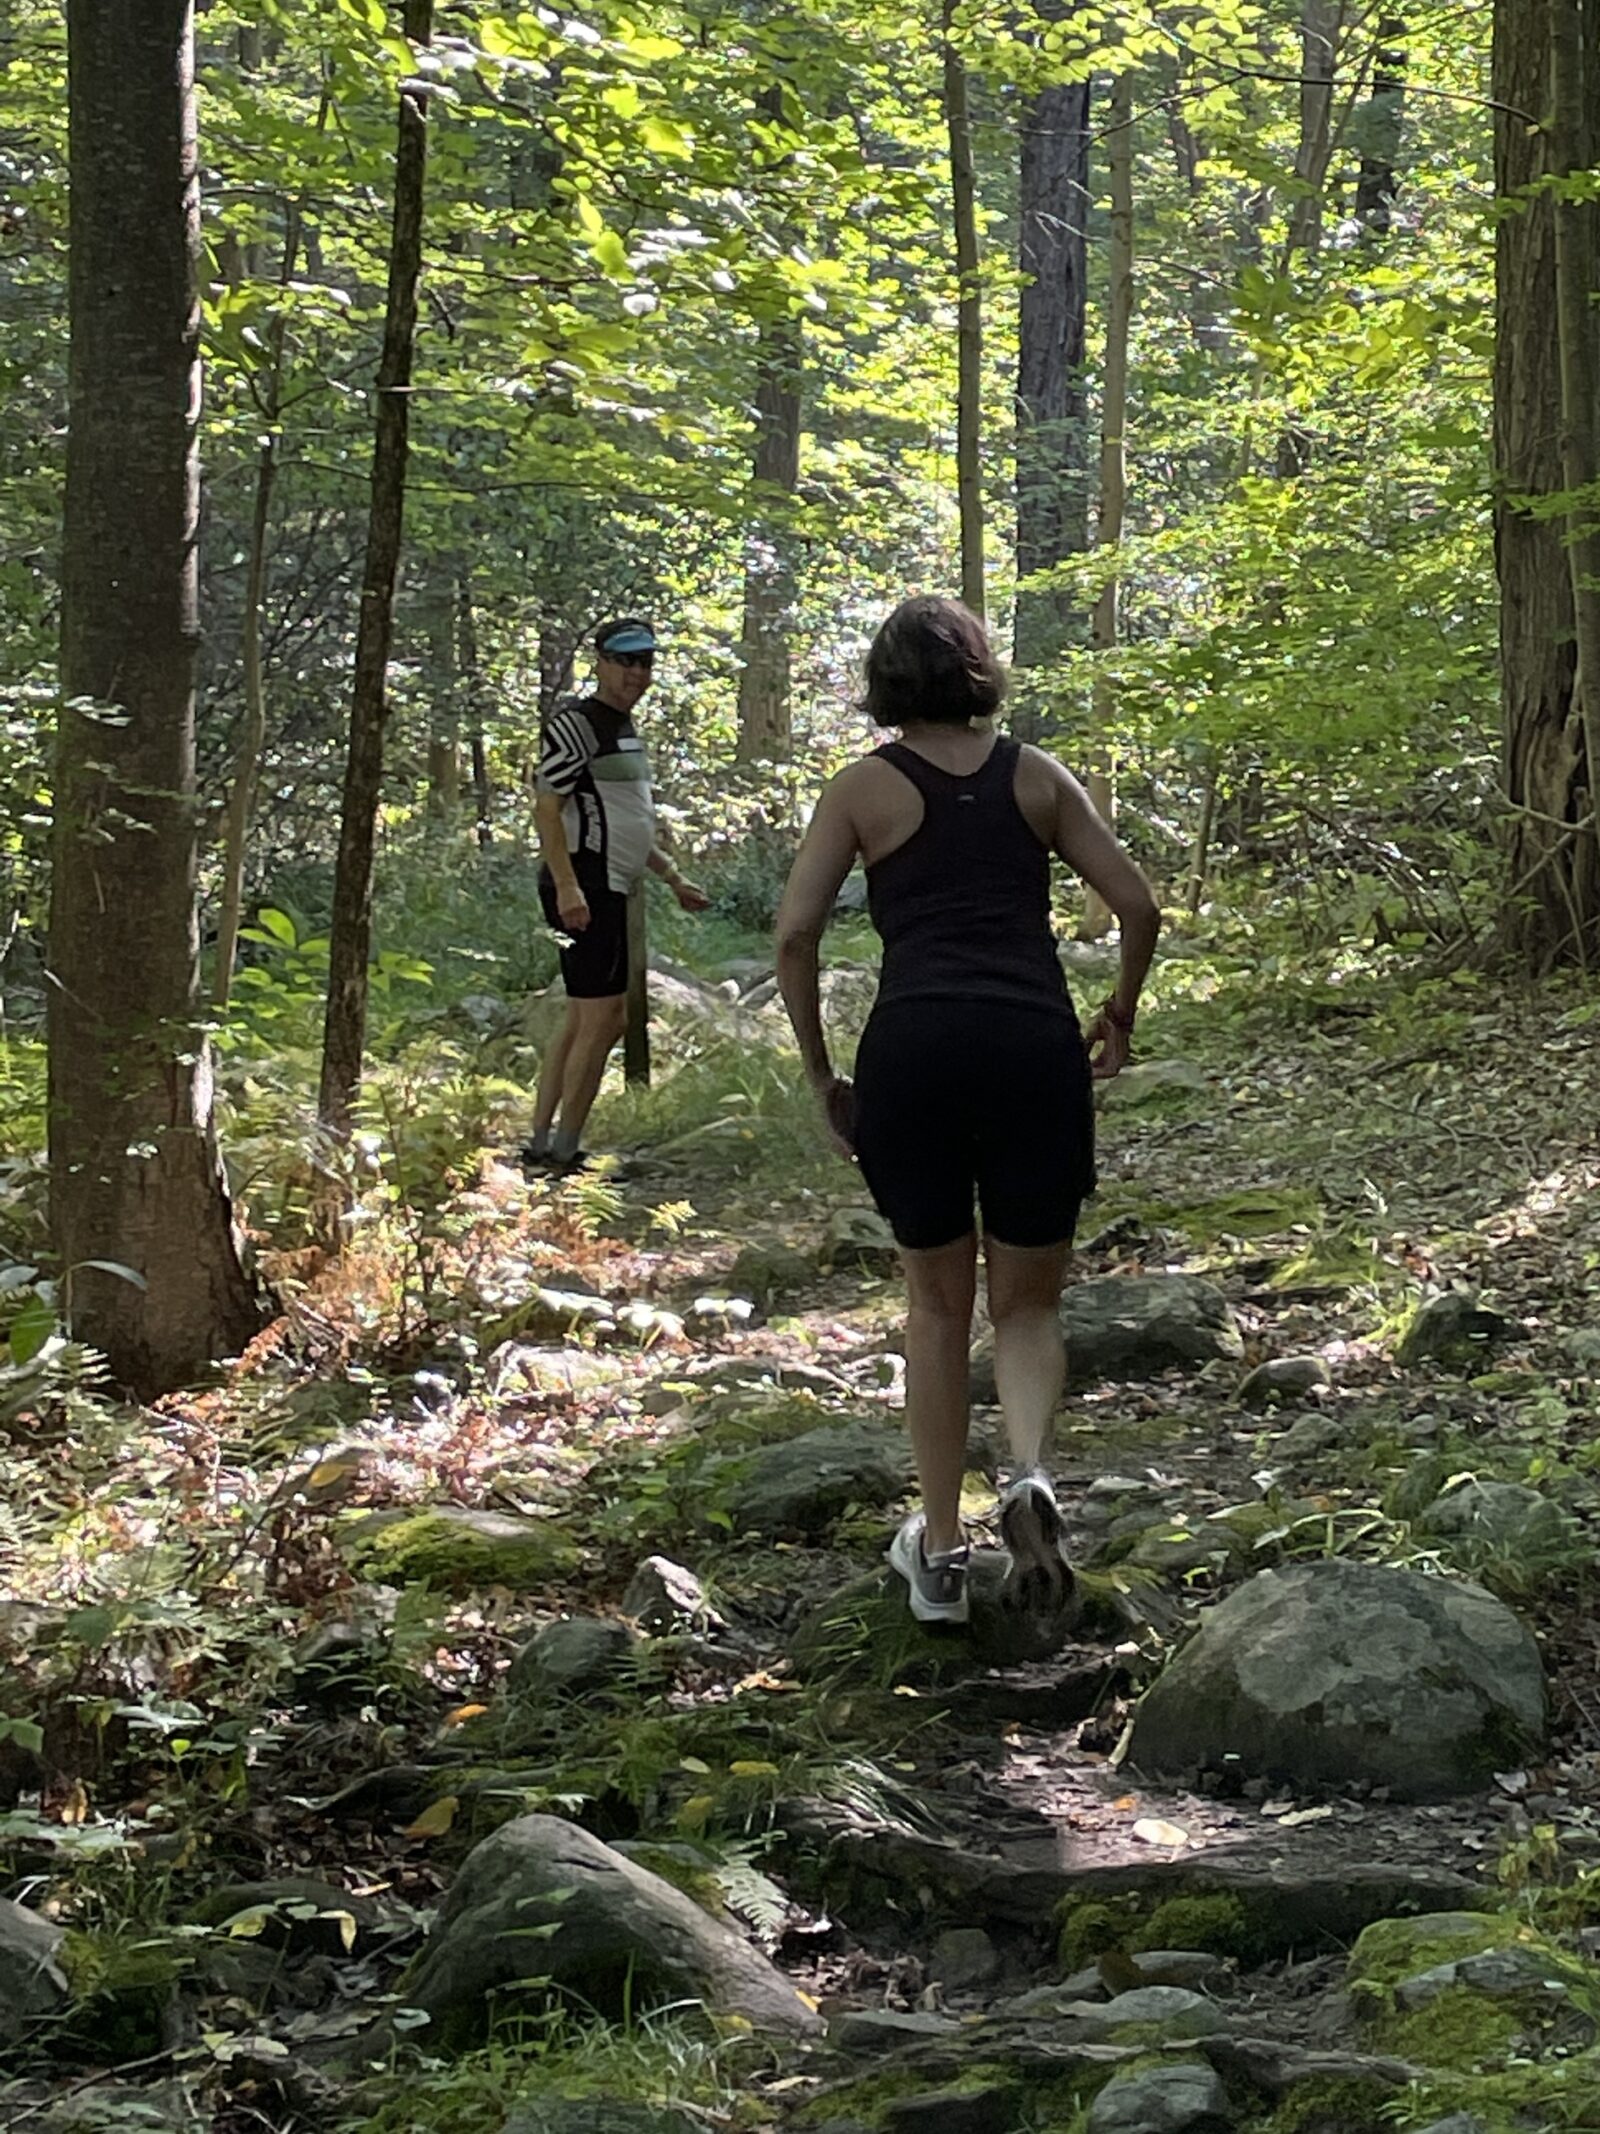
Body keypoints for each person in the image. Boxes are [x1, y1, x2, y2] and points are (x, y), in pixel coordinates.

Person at [774, 596, 1160, 1625]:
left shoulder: (862, 787)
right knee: (1027, 1304)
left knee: (937, 1309)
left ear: (883, 681)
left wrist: (821, 1074)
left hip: (915, 1051)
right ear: (978, 670)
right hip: (1033, 1049)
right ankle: (1027, 1472)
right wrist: (1116, 1015)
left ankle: (941, 1555)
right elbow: (1137, 902)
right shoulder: (1032, 775)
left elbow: (794, 938)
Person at [523, 617, 708, 1173]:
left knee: (587, 1018)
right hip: (586, 883)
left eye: (645, 662)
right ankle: (563, 1151)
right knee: (605, 1019)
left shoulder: (621, 726)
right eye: (625, 660)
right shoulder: (578, 724)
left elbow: (627, 819)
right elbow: (547, 806)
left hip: (608, 884)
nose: (635, 672)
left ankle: (545, 1143)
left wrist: (672, 876)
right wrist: (568, 885)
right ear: (600, 662)